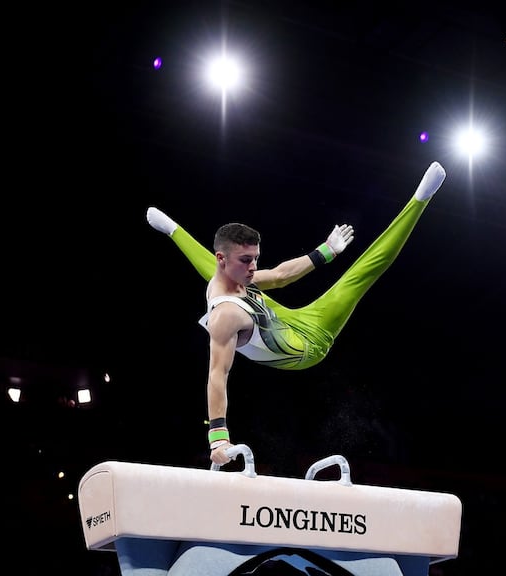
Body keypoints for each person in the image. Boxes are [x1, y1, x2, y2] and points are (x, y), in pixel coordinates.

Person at [146, 161, 447, 465]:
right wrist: (218, 437)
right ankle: (420, 201)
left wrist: (326, 251)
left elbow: (279, 276)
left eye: (255, 258)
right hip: (306, 345)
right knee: (359, 276)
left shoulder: (234, 277)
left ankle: (172, 229)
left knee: (237, 280)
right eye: (246, 260)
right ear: (223, 258)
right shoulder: (224, 316)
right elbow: (217, 375)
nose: (253, 267)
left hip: (286, 318)